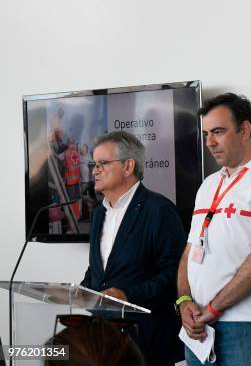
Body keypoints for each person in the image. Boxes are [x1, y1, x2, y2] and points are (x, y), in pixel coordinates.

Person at [176, 93, 251, 366]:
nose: (209, 142)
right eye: (206, 133)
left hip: (248, 325)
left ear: (245, 130)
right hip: (198, 327)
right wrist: (184, 301)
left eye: (218, 132)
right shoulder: (208, 184)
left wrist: (213, 308)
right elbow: (190, 250)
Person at [81, 131, 185, 366]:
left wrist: (129, 296)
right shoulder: (99, 213)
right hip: (104, 341)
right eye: (93, 164)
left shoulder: (159, 210)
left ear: (128, 166)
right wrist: (81, 292)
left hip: (146, 341)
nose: (94, 170)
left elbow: (175, 274)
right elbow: (99, 270)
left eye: (102, 163)